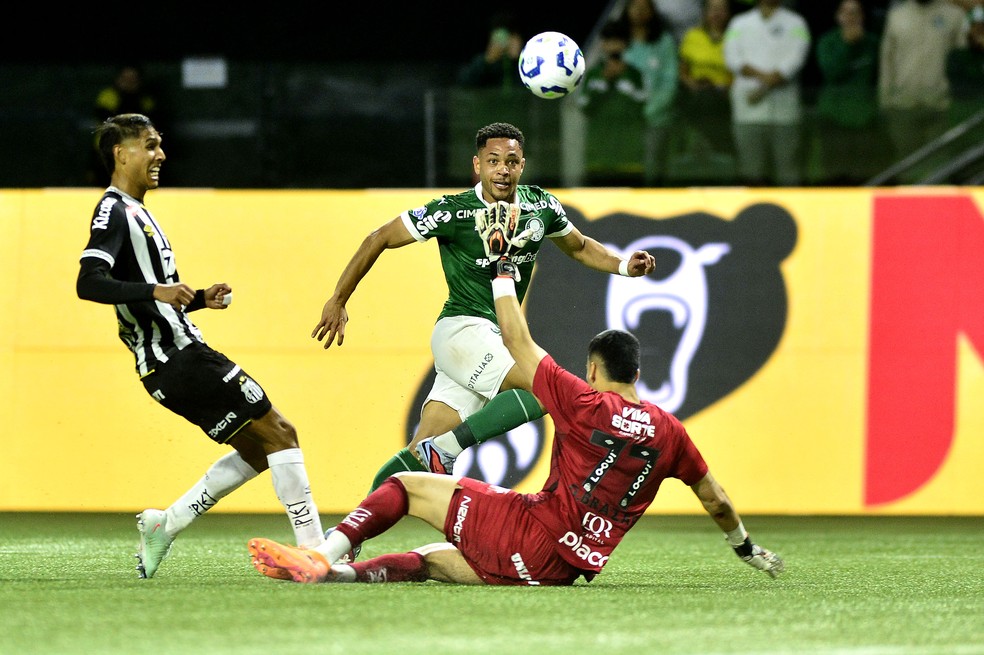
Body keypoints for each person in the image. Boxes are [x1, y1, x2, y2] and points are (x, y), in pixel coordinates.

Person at [247, 251, 785, 586]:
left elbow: (517, 342)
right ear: (637, 371)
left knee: (407, 485)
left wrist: (504, 274)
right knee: (433, 560)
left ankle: (321, 552)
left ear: (594, 368)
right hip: (562, 572)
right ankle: (335, 576)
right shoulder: (670, 431)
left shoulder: (583, 402)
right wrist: (745, 548)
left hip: (532, 531)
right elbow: (714, 496)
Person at [310, 122, 655, 497]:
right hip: (463, 331)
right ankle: (447, 449)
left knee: (418, 454)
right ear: (477, 165)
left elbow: (580, 246)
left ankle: (347, 534)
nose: (502, 170)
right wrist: (338, 299)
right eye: (493, 161)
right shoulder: (452, 212)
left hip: (491, 339)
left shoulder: (541, 206)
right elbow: (379, 237)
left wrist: (623, 265)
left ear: (522, 165)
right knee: (546, 389)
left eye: (511, 161)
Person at [76, 114, 325, 578]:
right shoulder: (115, 211)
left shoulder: (138, 211)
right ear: (120, 153)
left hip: (166, 369)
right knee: (282, 433)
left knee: (259, 449)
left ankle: (165, 525)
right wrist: (158, 291)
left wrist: (198, 300)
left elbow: (150, 304)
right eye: (149, 146)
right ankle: (317, 552)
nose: (160, 155)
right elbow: (89, 282)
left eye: (160, 145)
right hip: (181, 358)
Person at [723, 0, 811, 186]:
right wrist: (764, 77)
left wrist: (765, 86)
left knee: (788, 171)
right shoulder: (738, 23)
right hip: (747, 111)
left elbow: (797, 57)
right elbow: (732, 58)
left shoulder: (797, 23)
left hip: (784, 112)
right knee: (751, 171)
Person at [878, 0, 967, 168]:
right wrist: (884, 101)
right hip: (903, 107)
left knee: (939, 166)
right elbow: (886, 61)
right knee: (906, 167)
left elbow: (963, 62)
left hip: (941, 107)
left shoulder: (954, 15)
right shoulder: (896, 16)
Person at [815, 0, 884, 185]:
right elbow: (832, 72)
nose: (850, 17)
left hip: (864, 119)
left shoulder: (873, 42)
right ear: (838, 17)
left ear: (862, 17)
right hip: (833, 117)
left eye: (855, 12)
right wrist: (848, 45)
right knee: (833, 173)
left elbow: (881, 76)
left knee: (861, 175)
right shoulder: (827, 41)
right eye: (845, 12)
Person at [576, 18, 648, 185]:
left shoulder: (635, 75)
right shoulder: (593, 75)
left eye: (618, 41)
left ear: (626, 45)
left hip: (631, 159)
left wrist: (624, 82)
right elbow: (585, 107)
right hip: (598, 159)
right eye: (609, 41)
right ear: (603, 45)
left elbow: (643, 109)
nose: (613, 46)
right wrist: (606, 82)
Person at [622, 0, 680, 185]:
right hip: (624, 123)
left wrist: (647, 112)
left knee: (653, 171)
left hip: (655, 120)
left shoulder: (664, 42)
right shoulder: (617, 40)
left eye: (644, 7)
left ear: (652, 12)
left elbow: (670, 82)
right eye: (634, 6)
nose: (639, 11)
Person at [676, 0, 735, 173]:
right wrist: (693, 85)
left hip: (724, 100)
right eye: (713, 9)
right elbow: (683, 71)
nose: (717, 14)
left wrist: (723, 88)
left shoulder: (735, 37)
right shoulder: (692, 36)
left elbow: (738, 72)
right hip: (696, 97)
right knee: (703, 99)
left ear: (729, 13)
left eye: (722, 9)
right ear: (704, 13)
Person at [88, 65, 162, 187]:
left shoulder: (146, 100)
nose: (129, 83)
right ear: (118, 79)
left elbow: (151, 124)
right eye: (125, 79)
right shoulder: (108, 96)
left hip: (139, 156)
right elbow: (108, 122)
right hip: (105, 154)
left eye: (133, 79)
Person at [456, 12, 526, 90]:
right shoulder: (483, 63)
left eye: (510, 36)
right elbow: (463, 82)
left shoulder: (529, 62)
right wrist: (487, 61)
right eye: (499, 37)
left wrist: (519, 58)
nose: (505, 42)